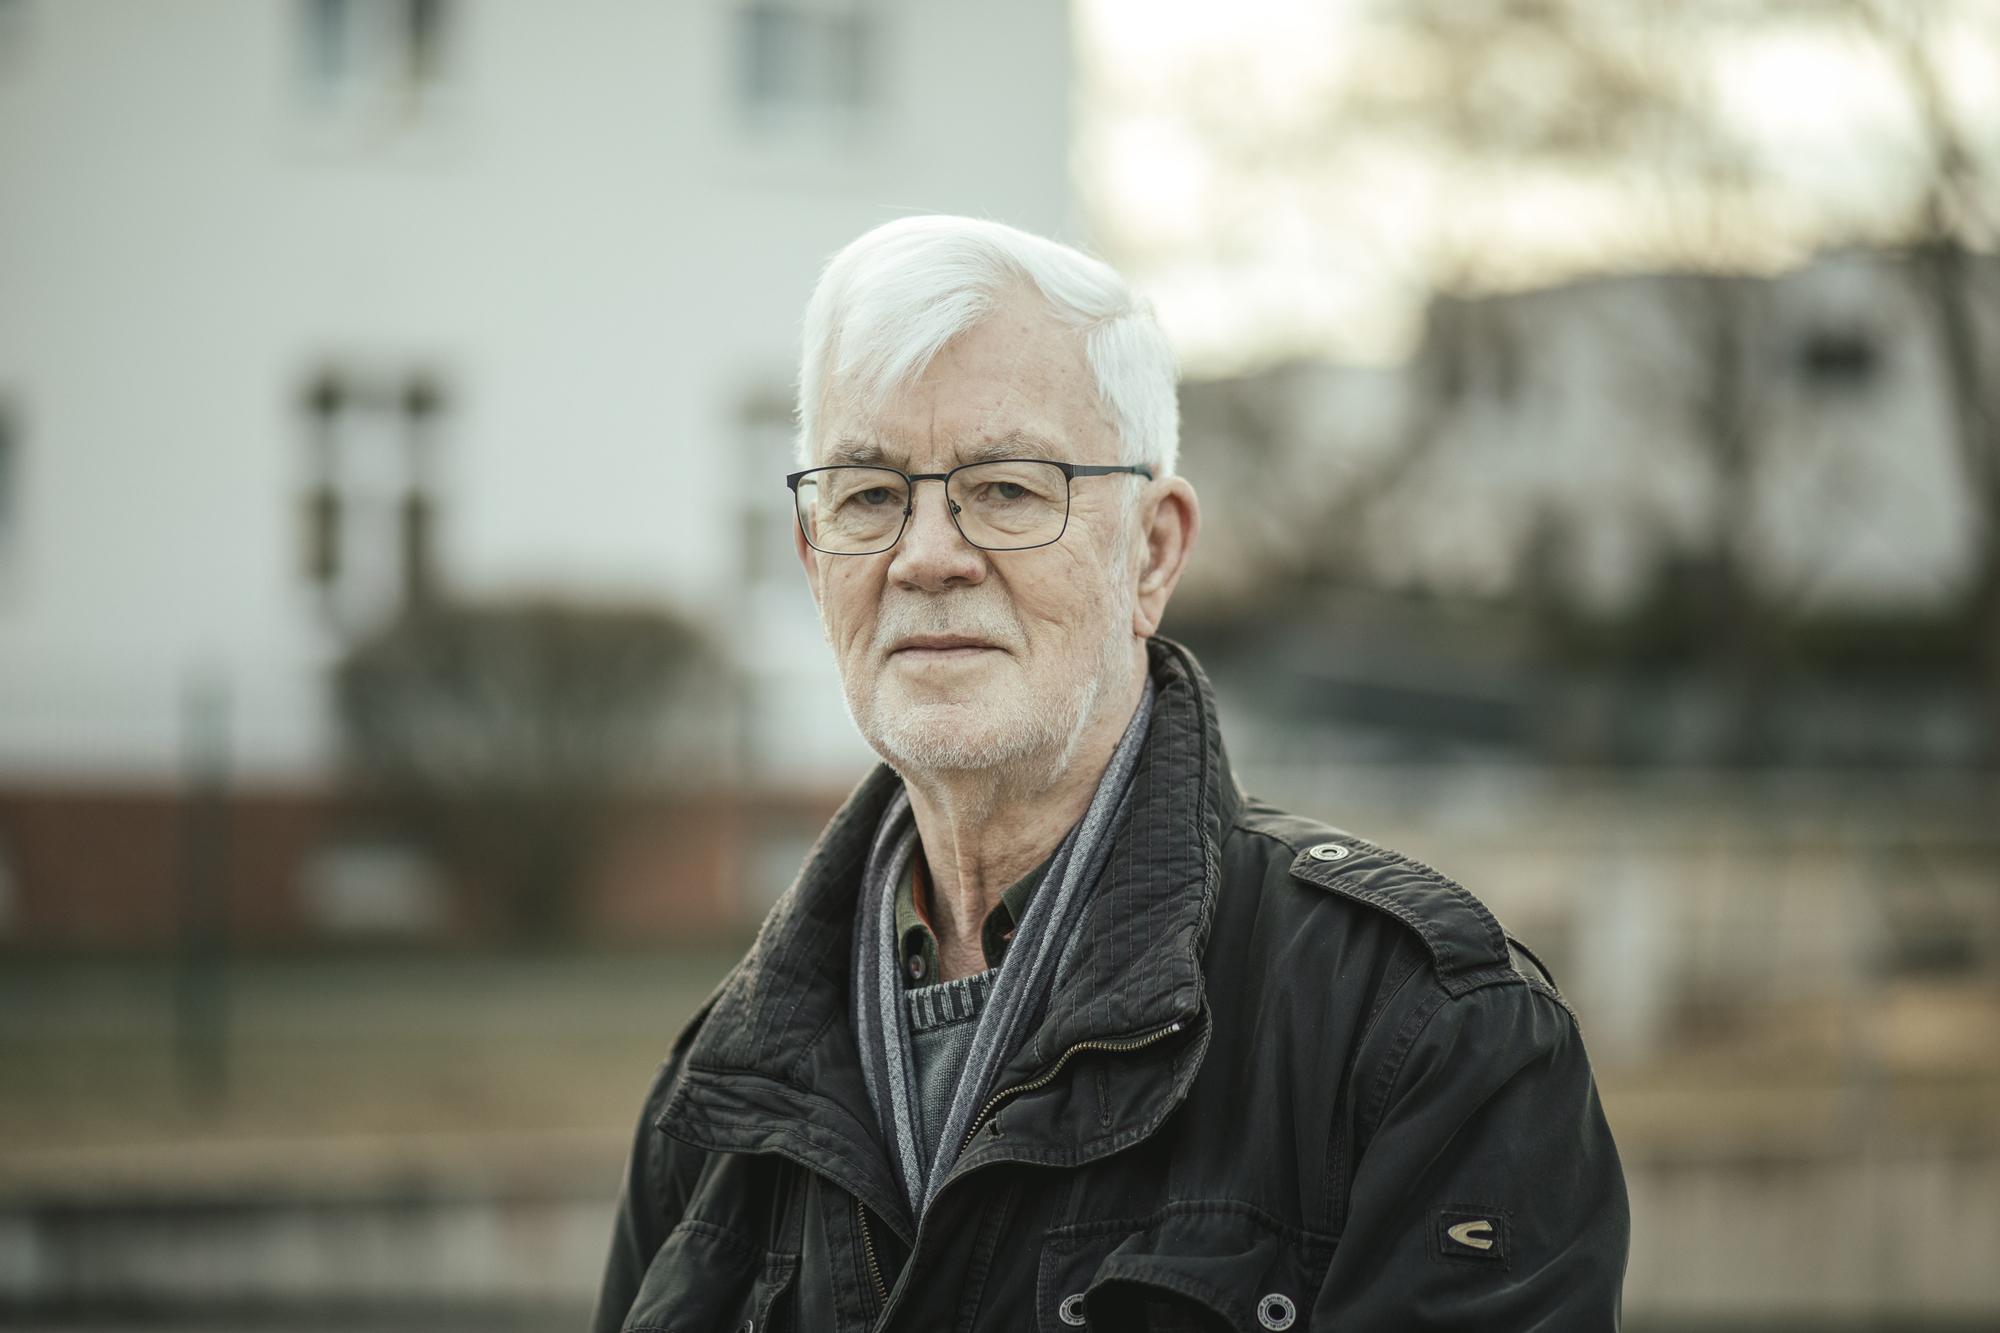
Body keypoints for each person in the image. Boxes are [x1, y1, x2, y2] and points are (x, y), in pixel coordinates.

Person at [590, 215, 1629, 1332]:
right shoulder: (717, 1097)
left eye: (1005, 487)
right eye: (867, 494)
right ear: (811, 556)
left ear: (1152, 550)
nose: (925, 554)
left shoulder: (1417, 1037)